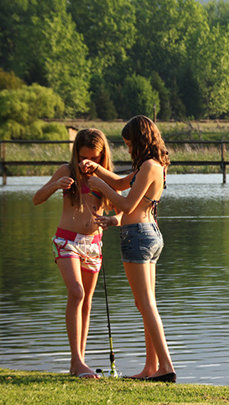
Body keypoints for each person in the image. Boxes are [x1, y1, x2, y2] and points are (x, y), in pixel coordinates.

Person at [82, 115, 175, 383]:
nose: (128, 148)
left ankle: (166, 367)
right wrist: (97, 169)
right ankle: (151, 368)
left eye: (129, 143)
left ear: (140, 139)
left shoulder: (147, 165)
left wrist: (100, 187)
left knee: (145, 304)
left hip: (137, 236)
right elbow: (122, 183)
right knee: (146, 304)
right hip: (151, 235)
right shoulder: (154, 165)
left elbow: (125, 206)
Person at [33, 128, 116, 379]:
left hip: (93, 244)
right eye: (82, 157)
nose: (87, 163)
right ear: (75, 154)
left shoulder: (105, 177)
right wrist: (56, 185)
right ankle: (77, 361)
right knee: (76, 293)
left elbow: (124, 208)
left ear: (102, 157)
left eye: (94, 158)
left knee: (87, 302)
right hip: (66, 241)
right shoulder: (66, 171)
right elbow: (37, 198)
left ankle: (77, 363)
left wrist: (113, 220)